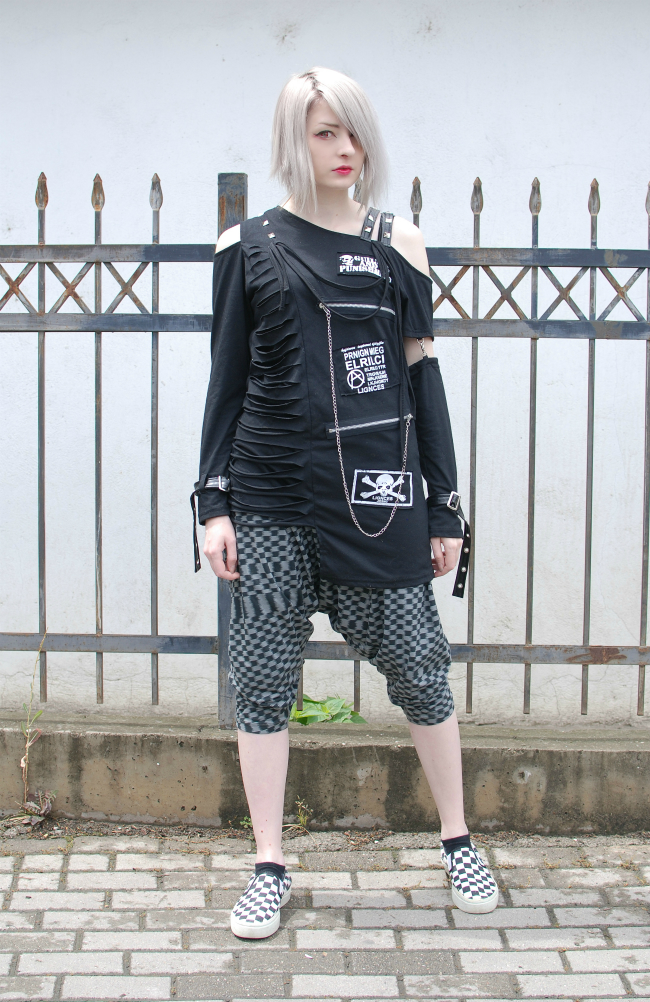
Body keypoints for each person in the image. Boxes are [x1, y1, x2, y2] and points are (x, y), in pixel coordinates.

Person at [193, 67, 498, 939]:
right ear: (294, 138)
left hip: (378, 495)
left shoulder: (399, 242)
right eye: (325, 132)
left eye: (354, 131)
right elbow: (226, 380)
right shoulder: (245, 244)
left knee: (420, 666)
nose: (346, 149)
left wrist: (444, 505)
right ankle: (268, 863)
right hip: (270, 496)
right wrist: (213, 501)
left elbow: (421, 378)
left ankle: (458, 840)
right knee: (261, 681)